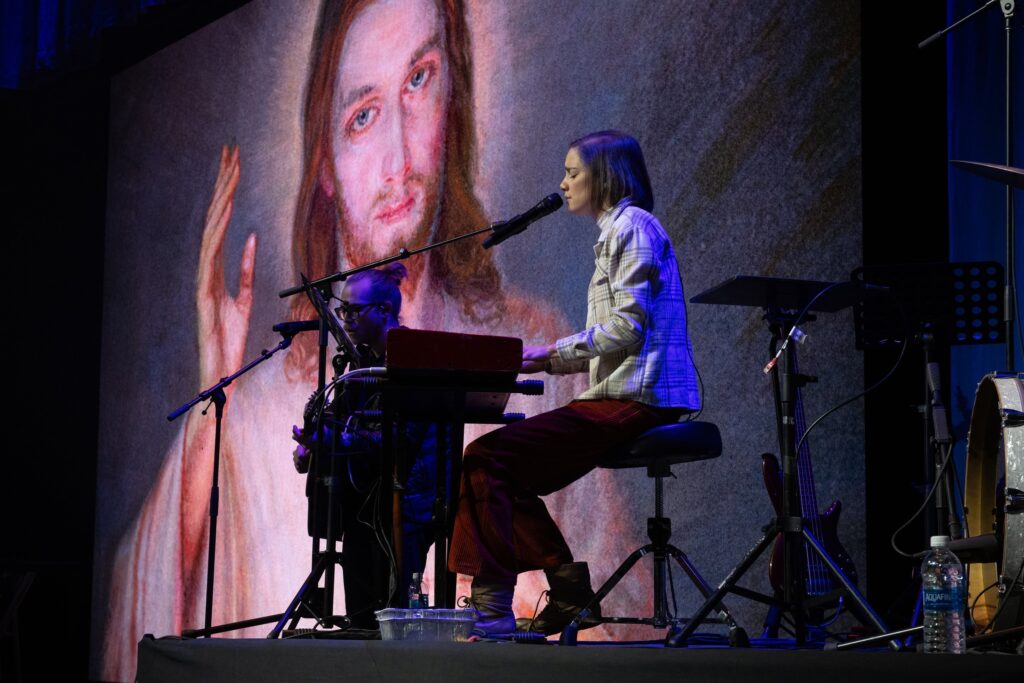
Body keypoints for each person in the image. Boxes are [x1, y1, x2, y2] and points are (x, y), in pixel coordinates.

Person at [102, 1, 588, 679]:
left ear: (456, 93)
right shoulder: (259, 405)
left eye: (419, 79)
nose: (397, 159)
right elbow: (137, 635)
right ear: (324, 161)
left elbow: (621, 636)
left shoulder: (538, 344)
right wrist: (221, 391)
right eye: (362, 115)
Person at [448, 130, 700, 635]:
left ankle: (501, 605)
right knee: (489, 463)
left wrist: (548, 355)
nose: (563, 183)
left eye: (572, 172)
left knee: (489, 456)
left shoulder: (634, 229)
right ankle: (562, 598)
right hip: (619, 395)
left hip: (641, 397)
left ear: (605, 175)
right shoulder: (617, 232)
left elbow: (629, 326)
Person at [291, 263, 442, 628]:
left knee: (394, 617)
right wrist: (311, 443)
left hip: (405, 506)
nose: (345, 319)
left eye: (353, 311)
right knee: (360, 619)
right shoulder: (359, 366)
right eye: (342, 311)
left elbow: (400, 440)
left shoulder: (416, 358)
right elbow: (335, 416)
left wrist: (337, 441)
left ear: (383, 310)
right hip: (363, 507)